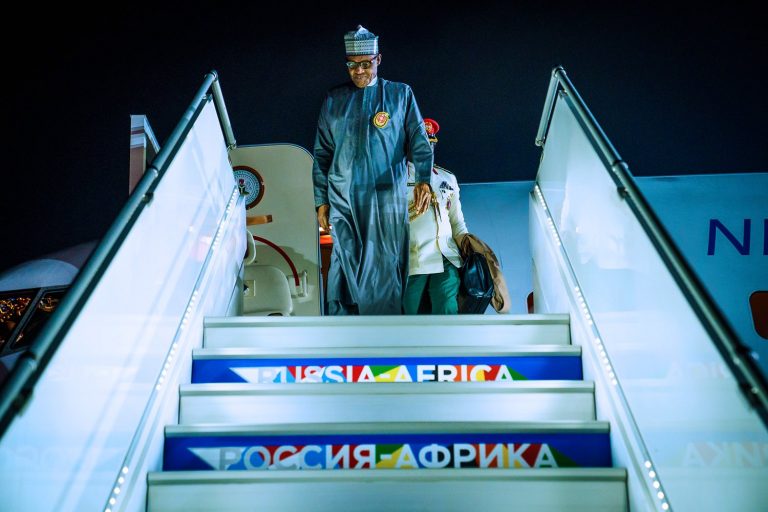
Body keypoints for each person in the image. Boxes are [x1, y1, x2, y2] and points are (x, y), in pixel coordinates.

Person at [312, 25, 434, 315]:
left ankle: (383, 340)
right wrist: (321, 200)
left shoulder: (399, 95)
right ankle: (343, 338)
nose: (358, 71)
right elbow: (322, 154)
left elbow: (418, 139)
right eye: (352, 65)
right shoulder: (334, 100)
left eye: (365, 64)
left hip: (384, 199)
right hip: (342, 197)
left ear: (378, 60)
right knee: (343, 265)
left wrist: (424, 180)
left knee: (383, 265)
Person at [403, 118, 469, 315]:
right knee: (409, 313)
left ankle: (448, 346)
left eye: (430, 144)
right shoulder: (396, 177)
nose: (427, 150)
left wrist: (469, 247)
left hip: (446, 254)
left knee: (447, 307)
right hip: (413, 257)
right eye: (421, 145)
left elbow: (457, 222)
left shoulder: (447, 178)